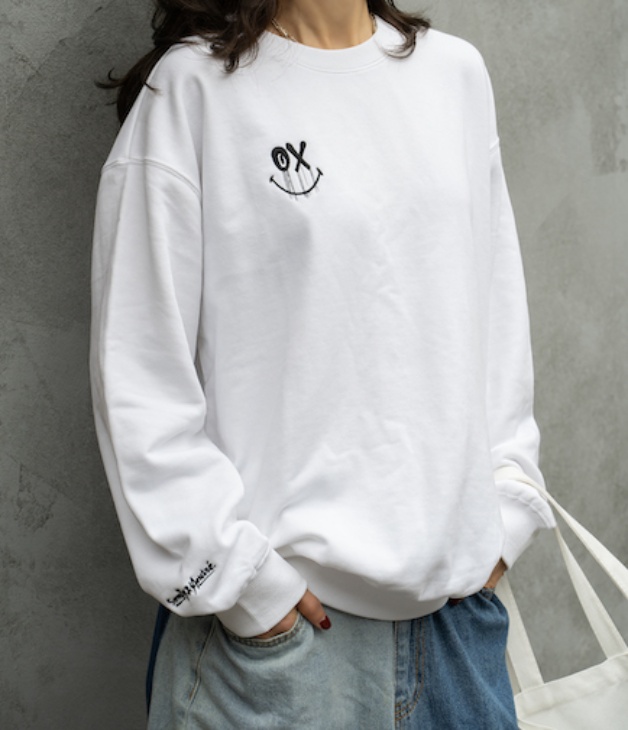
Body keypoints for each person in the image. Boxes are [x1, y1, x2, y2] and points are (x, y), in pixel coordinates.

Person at [90, 1, 556, 727]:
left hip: (456, 631)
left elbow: (492, 315)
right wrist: (244, 589)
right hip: (280, 657)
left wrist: (508, 508)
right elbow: (139, 368)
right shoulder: (192, 90)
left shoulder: (453, 74)